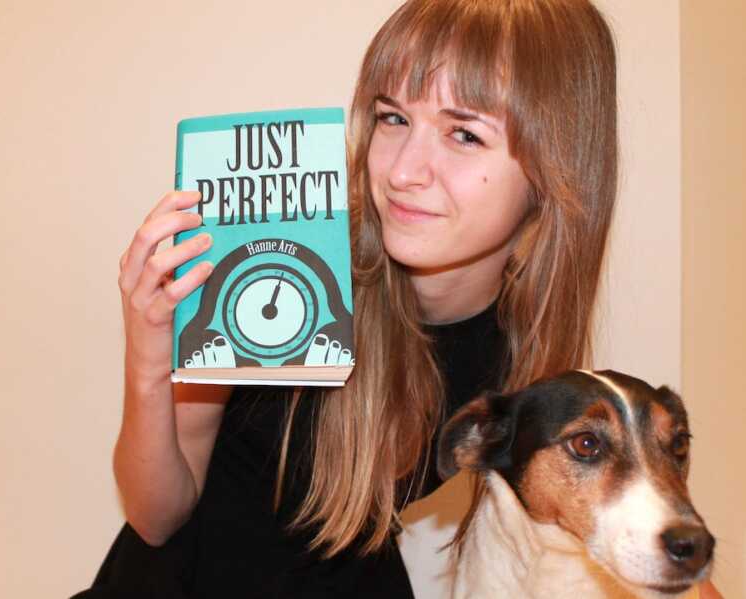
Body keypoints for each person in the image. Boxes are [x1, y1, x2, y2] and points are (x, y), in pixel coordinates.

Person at [74, 0, 720, 597]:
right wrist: (149, 353)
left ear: (554, 172)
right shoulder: (284, 262)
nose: (404, 170)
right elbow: (157, 517)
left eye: (463, 134)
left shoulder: (532, 369)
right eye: (393, 118)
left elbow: (638, 538)